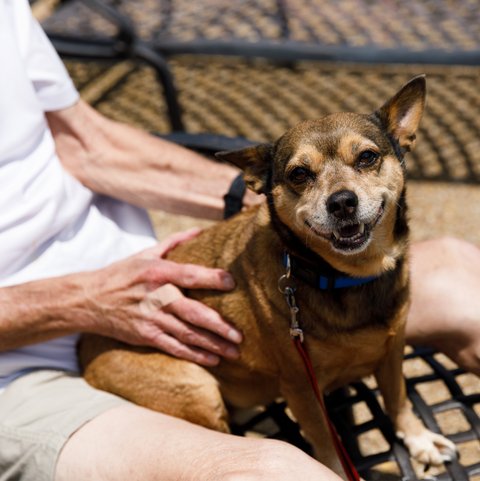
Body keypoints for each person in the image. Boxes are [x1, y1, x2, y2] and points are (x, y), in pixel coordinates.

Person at [0, 2, 479, 480]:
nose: (341, 195)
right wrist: (85, 300)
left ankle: (400, 422)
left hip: (155, 278)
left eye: (367, 160)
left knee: (464, 271)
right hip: (36, 371)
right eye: (301, 177)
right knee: (278, 471)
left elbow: (86, 141)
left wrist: (244, 196)